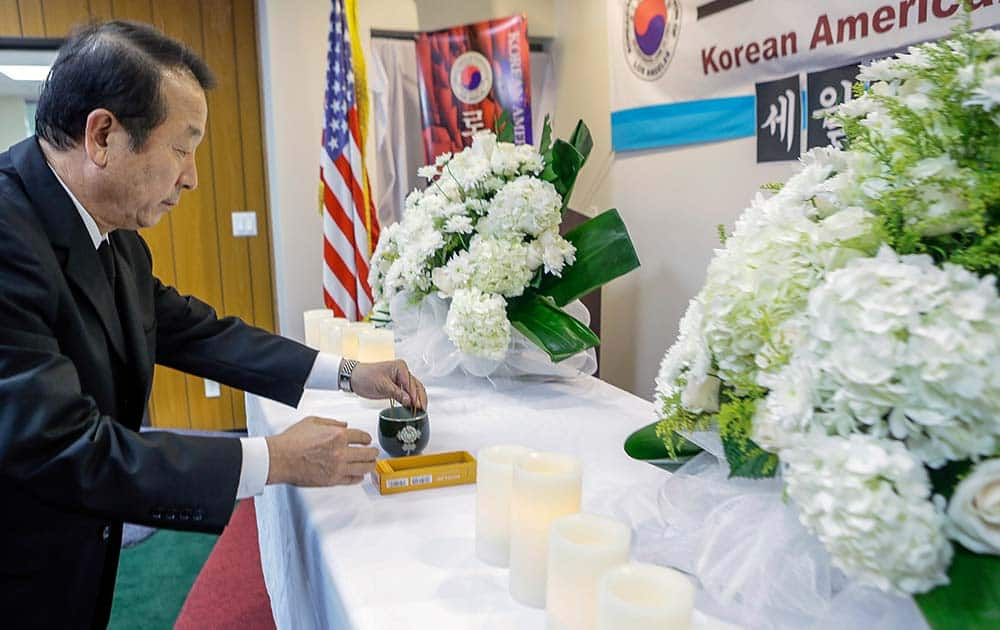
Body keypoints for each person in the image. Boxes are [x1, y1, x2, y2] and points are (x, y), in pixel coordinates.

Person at [0, 20, 426, 629]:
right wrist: (273, 460)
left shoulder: (108, 228)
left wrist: (351, 372)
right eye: (182, 147)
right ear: (102, 135)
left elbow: (195, 331)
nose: (193, 176)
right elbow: (65, 448)